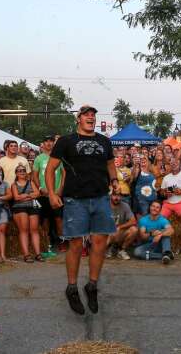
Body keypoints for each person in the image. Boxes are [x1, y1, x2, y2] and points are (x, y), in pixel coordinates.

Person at [46, 104, 118, 316]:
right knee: (76, 245)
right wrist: (51, 193)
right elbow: (51, 169)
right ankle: (71, 288)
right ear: (78, 119)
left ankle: (92, 286)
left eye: (93, 115)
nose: (90, 117)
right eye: (86, 114)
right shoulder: (66, 141)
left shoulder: (104, 141)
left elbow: (111, 164)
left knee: (99, 243)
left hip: (100, 198)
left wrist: (114, 181)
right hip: (75, 200)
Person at [32, 136, 64, 251]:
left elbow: (64, 174)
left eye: (51, 141)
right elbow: (34, 175)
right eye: (47, 141)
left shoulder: (59, 157)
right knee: (45, 219)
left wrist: (60, 189)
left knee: (59, 219)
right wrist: (40, 188)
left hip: (56, 193)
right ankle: (47, 242)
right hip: (44, 194)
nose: (49, 143)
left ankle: (62, 241)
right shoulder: (39, 159)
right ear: (43, 144)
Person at [10, 163, 43, 262]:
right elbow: (16, 197)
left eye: (23, 170)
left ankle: (38, 253)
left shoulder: (31, 182)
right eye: (19, 171)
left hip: (32, 206)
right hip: (20, 208)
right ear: (16, 173)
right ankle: (26, 254)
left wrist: (25, 195)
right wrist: (30, 195)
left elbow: (37, 193)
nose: (22, 172)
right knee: (23, 230)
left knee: (34, 230)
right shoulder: (14, 184)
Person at [107, 188, 137, 260]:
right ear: (110, 195)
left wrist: (120, 227)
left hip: (119, 232)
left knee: (134, 230)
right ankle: (107, 249)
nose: (117, 198)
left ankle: (121, 250)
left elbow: (133, 221)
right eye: (114, 195)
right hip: (106, 233)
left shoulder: (125, 206)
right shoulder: (105, 205)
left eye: (119, 195)